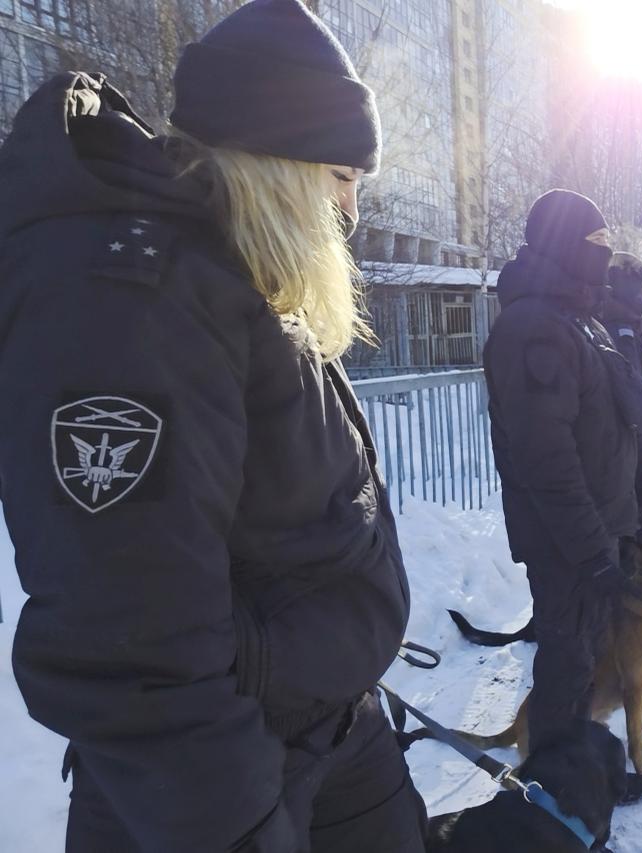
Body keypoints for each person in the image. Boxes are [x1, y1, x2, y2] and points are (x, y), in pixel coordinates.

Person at [0, 1, 430, 849]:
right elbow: (130, 643)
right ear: (279, 162)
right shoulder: (136, 308)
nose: (347, 209)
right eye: (342, 175)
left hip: (328, 730)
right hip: (229, 775)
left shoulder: (238, 270)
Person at [484, 189, 642, 754]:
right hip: (567, 543)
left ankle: (580, 772)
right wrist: (591, 552)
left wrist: (637, 492)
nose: (607, 254)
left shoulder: (580, 318)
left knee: (587, 657)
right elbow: (545, 459)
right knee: (566, 660)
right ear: (564, 244)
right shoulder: (534, 326)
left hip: (598, 532)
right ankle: (549, 795)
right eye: (597, 242)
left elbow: (610, 421)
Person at [598, 252, 642, 505]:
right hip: (633, 452)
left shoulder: (624, 327)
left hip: (635, 449)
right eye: (641, 292)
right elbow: (631, 405)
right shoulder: (621, 332)